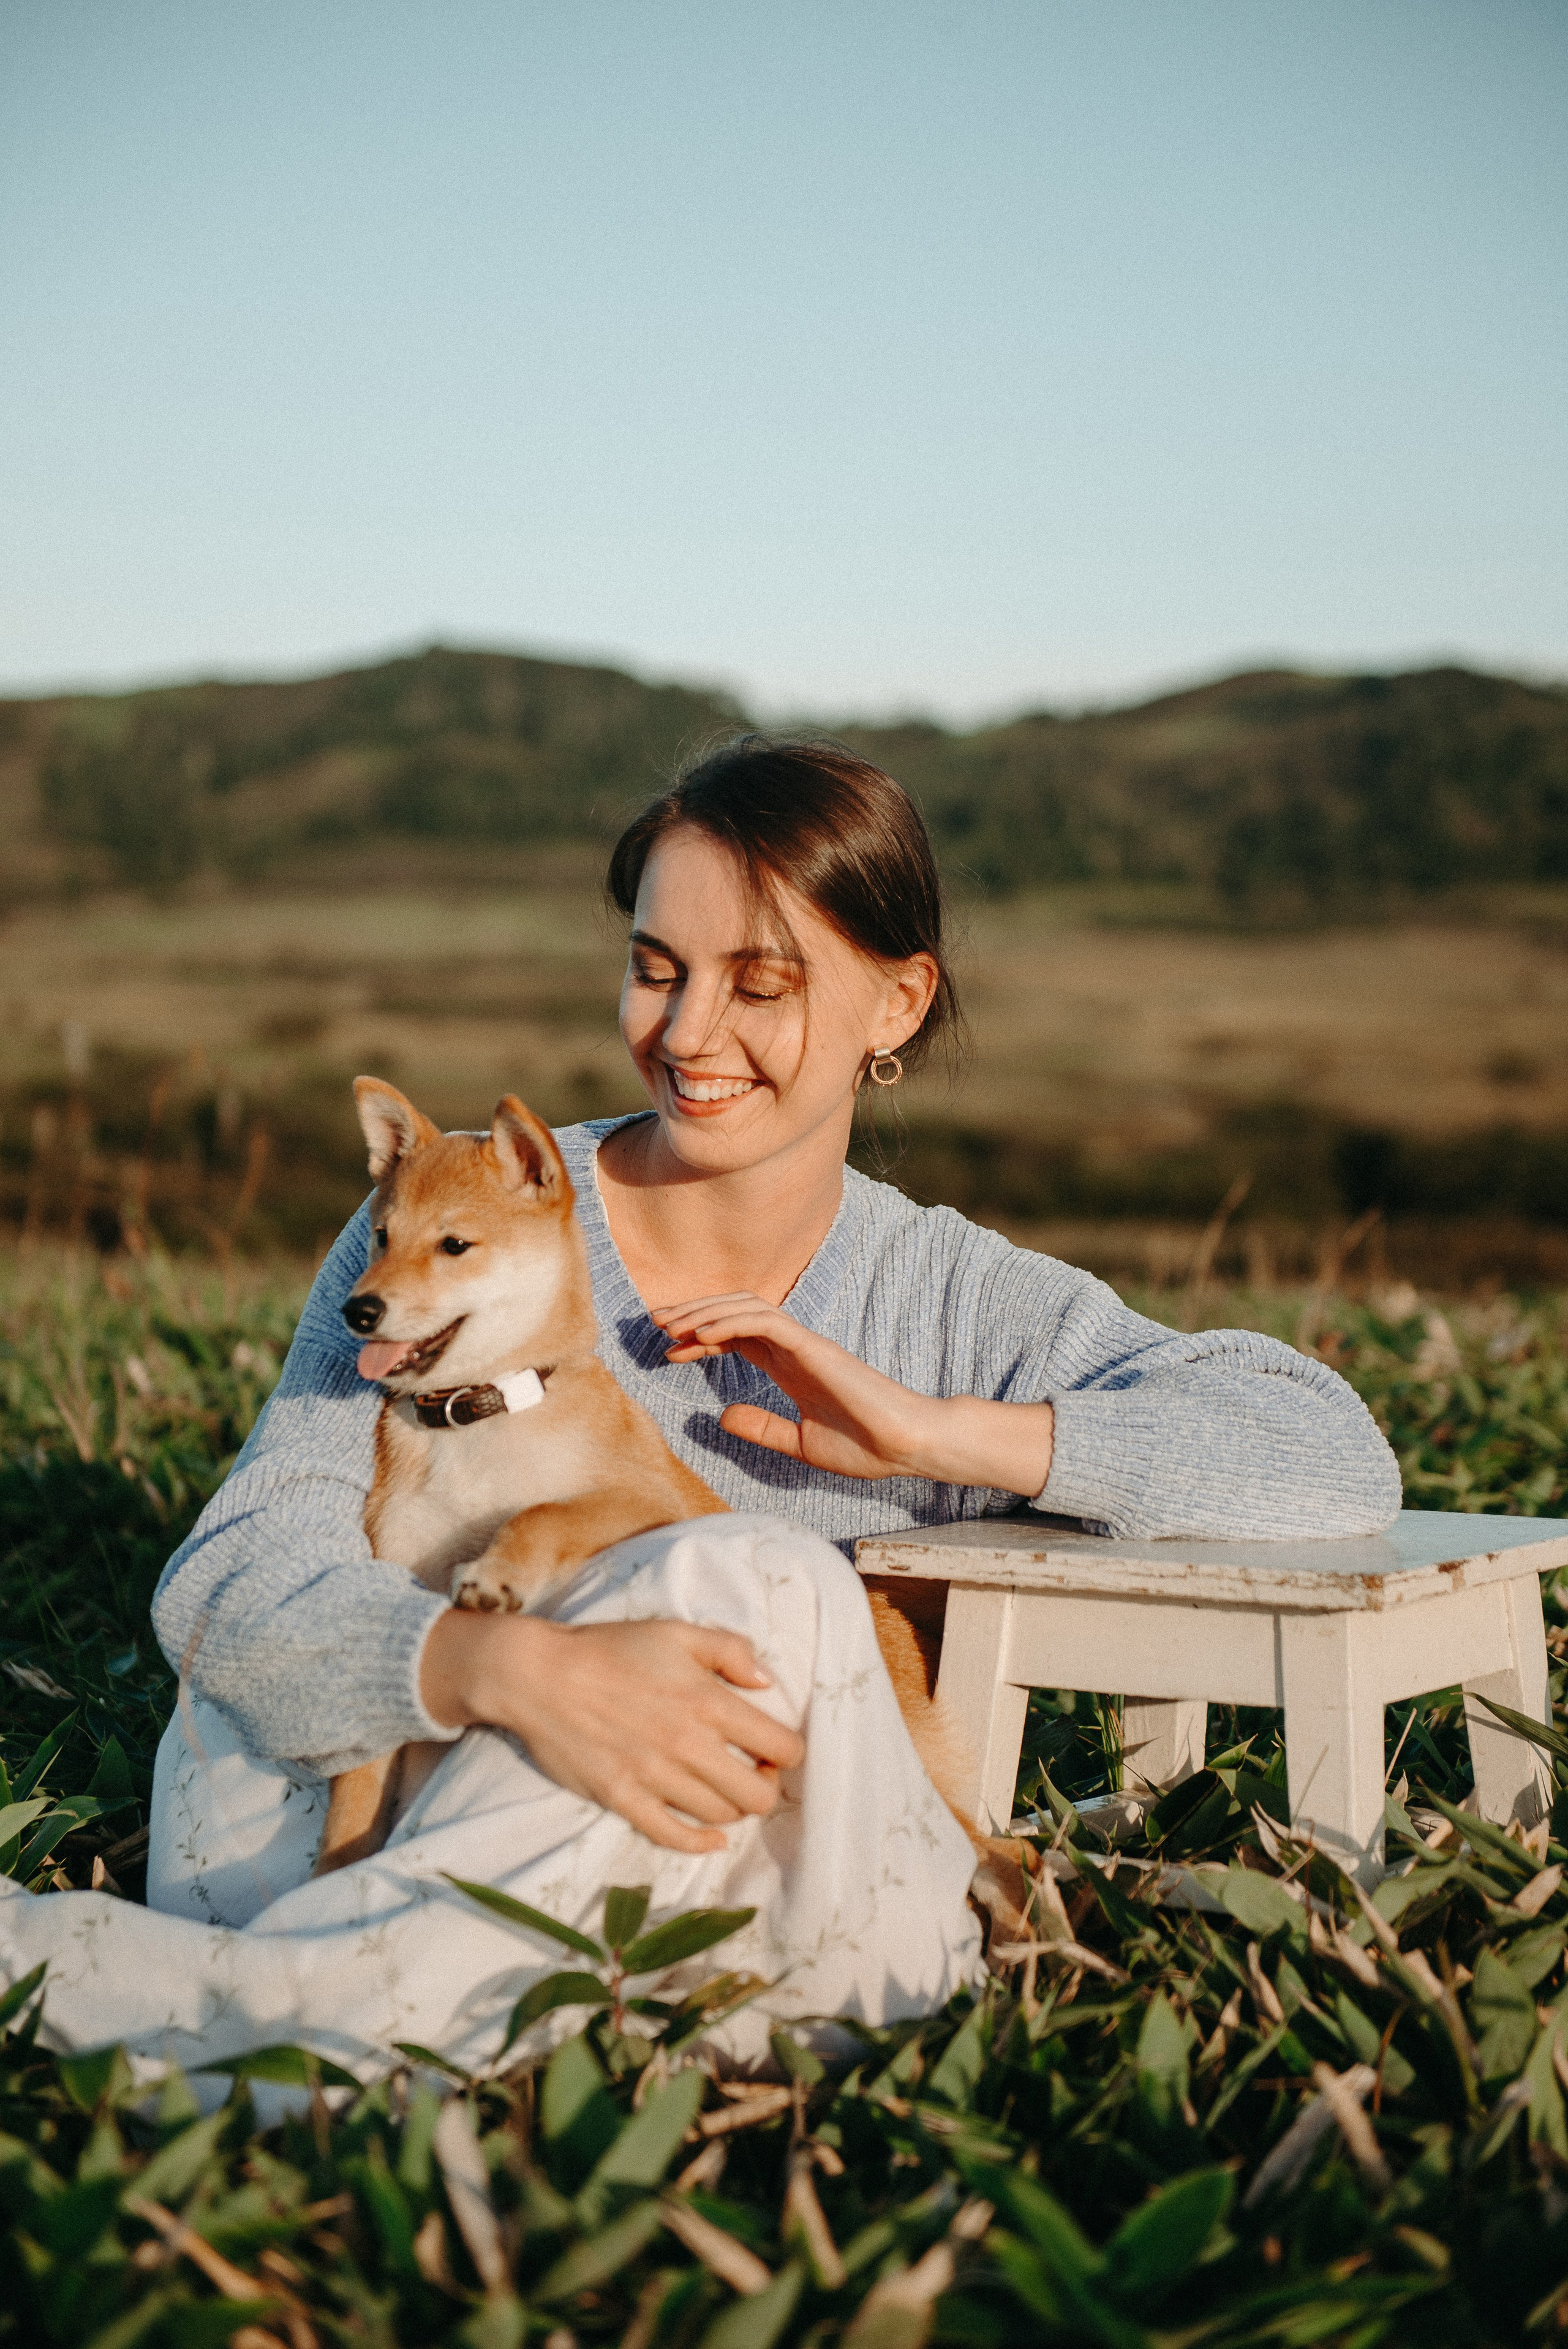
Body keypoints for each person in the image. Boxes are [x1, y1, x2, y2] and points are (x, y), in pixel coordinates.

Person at [0, 738, 1401, 2076]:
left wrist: (930, 1429)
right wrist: (509, 1675)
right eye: (655, 970)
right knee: (283, 1732)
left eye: (761, 981)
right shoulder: (450, 1229)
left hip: (717, 1844)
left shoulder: (955, 1297)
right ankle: (334, 2014)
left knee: (754, 1576)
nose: (686, 1032)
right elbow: (238, 1579)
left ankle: (225, 2004)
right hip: (397, 1786)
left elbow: (1327, 1452)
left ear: (896, 1005)